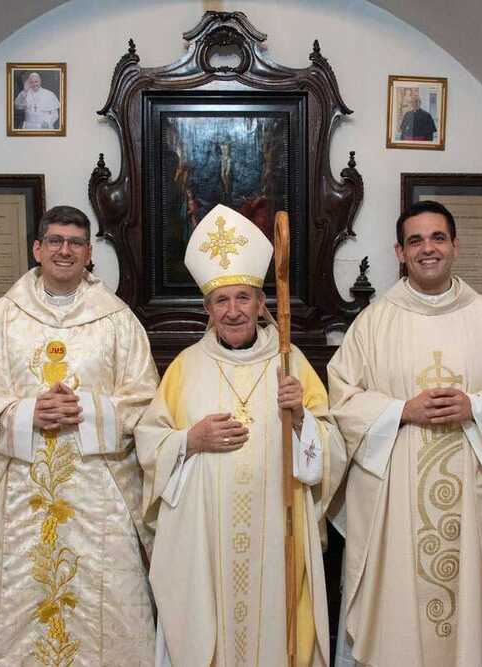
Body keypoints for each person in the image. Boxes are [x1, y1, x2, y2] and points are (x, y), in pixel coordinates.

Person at [0, 206, 159, 665]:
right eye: (55, 241)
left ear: (89, 253)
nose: (65, 250)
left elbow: (144, 398)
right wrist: (27, 412)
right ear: (37, 249)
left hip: (100, 489)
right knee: (26, 598)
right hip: (22, 488)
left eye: (76, 242)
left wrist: (85, 410)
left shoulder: (117, 320)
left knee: (111, 598)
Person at [328, 200, 482, 666]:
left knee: (468, 606)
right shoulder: (374, 322)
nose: (428, 249)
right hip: (395, 497)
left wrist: (478, 406)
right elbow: (341, 401)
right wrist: (399, 411)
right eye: (416, 241)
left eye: (437, 238)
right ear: (400, 253)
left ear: (454, 246)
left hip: (473, 494)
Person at [136, 204, 347, 666]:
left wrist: (301, 419)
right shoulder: (185, 369)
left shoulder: (292, 365)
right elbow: (149, 445)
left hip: (279, 535)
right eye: (221, 301)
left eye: (243, 298)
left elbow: (332, 449)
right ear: (207, 309)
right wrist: (189, 439)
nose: (233, 312)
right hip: (203, 541)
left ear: (261, 303)